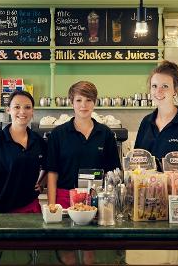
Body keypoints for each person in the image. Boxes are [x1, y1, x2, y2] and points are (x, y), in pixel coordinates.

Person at [47, 81, 121, 265]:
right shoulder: (58, 134)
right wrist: (51, 205)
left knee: (90, 253)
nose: (84, 105)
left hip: (95, 200)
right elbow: (52, 173)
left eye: (88, 100)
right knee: (67, 252)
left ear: (94, 102)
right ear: (71, 102)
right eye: (79, 100)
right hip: (64, 199)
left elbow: (113, 173)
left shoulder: (105, 134)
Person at [0, 90, 47, 214]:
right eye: (17, 107)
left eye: (27, 107)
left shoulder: (38, 140)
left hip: (30, 209)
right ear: (8, 110)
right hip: (1, 212)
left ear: (32, 111)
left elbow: (50, 166)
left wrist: (42, 182)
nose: (22, 111)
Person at [134, 60, 178, 165]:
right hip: (147, 181)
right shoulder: (146, 122)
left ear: (175, 90)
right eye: (154, 86)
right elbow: (137, 162)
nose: (158, 91)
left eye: (165, 86)